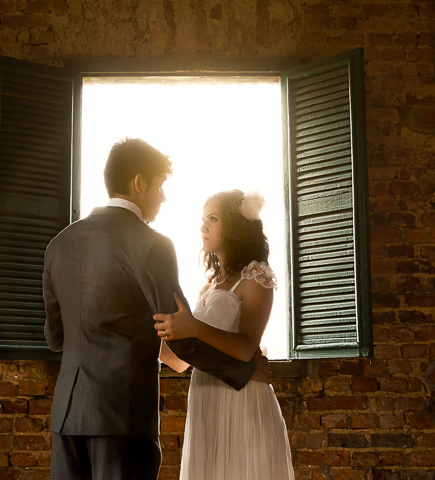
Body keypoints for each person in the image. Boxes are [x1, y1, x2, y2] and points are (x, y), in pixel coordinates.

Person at [43, 139, 266, 480]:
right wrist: (245, 370)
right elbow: (181, 333)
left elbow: (55, 337)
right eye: (160, 186)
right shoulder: (153, 245)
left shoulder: (58, 245)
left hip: (66, 417)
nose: (162, 197)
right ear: (139, 183)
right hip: (124, 418)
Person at [154, 189, 295, 480]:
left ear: (235, 227)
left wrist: (192, 327)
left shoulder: (256, 276)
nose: (203, 227)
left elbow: (245, 349)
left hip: (241, 400)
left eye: (212, 219)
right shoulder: (210, 286)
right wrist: (140, 330)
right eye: (203, 219)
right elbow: (181, 361)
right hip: (206, 399)